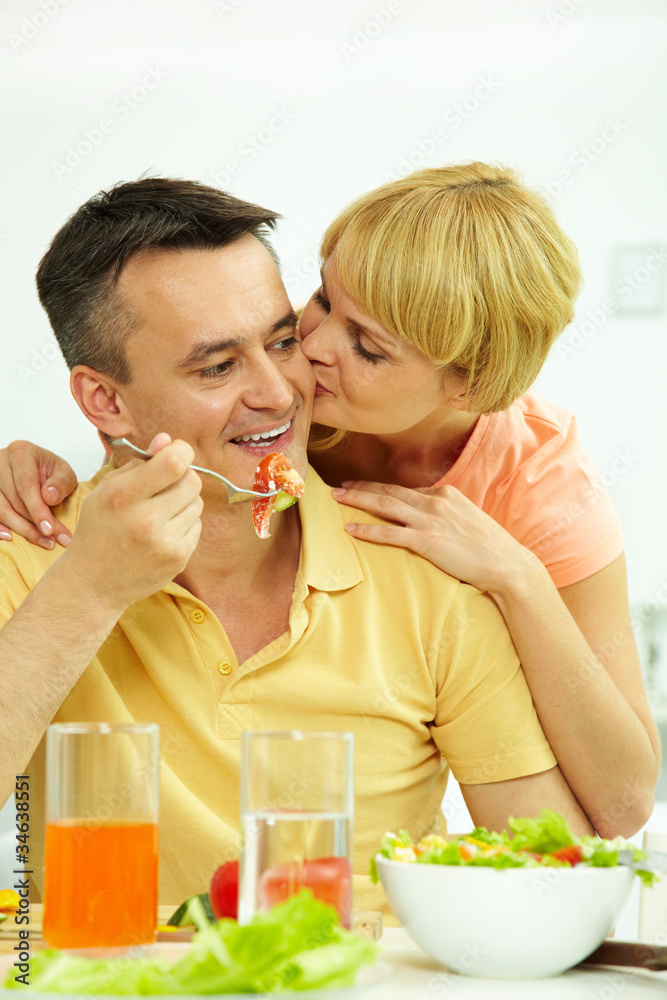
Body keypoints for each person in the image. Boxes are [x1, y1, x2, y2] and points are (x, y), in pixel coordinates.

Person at [1, 164, 658, 837]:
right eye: (314, 309)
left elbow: (598, 823)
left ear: (466, 386)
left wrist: (519, 580)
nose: (298, 370)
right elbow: (155, 430)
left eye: (365, 348)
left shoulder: (507, 517)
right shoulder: (34, 550)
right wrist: (41, 491)